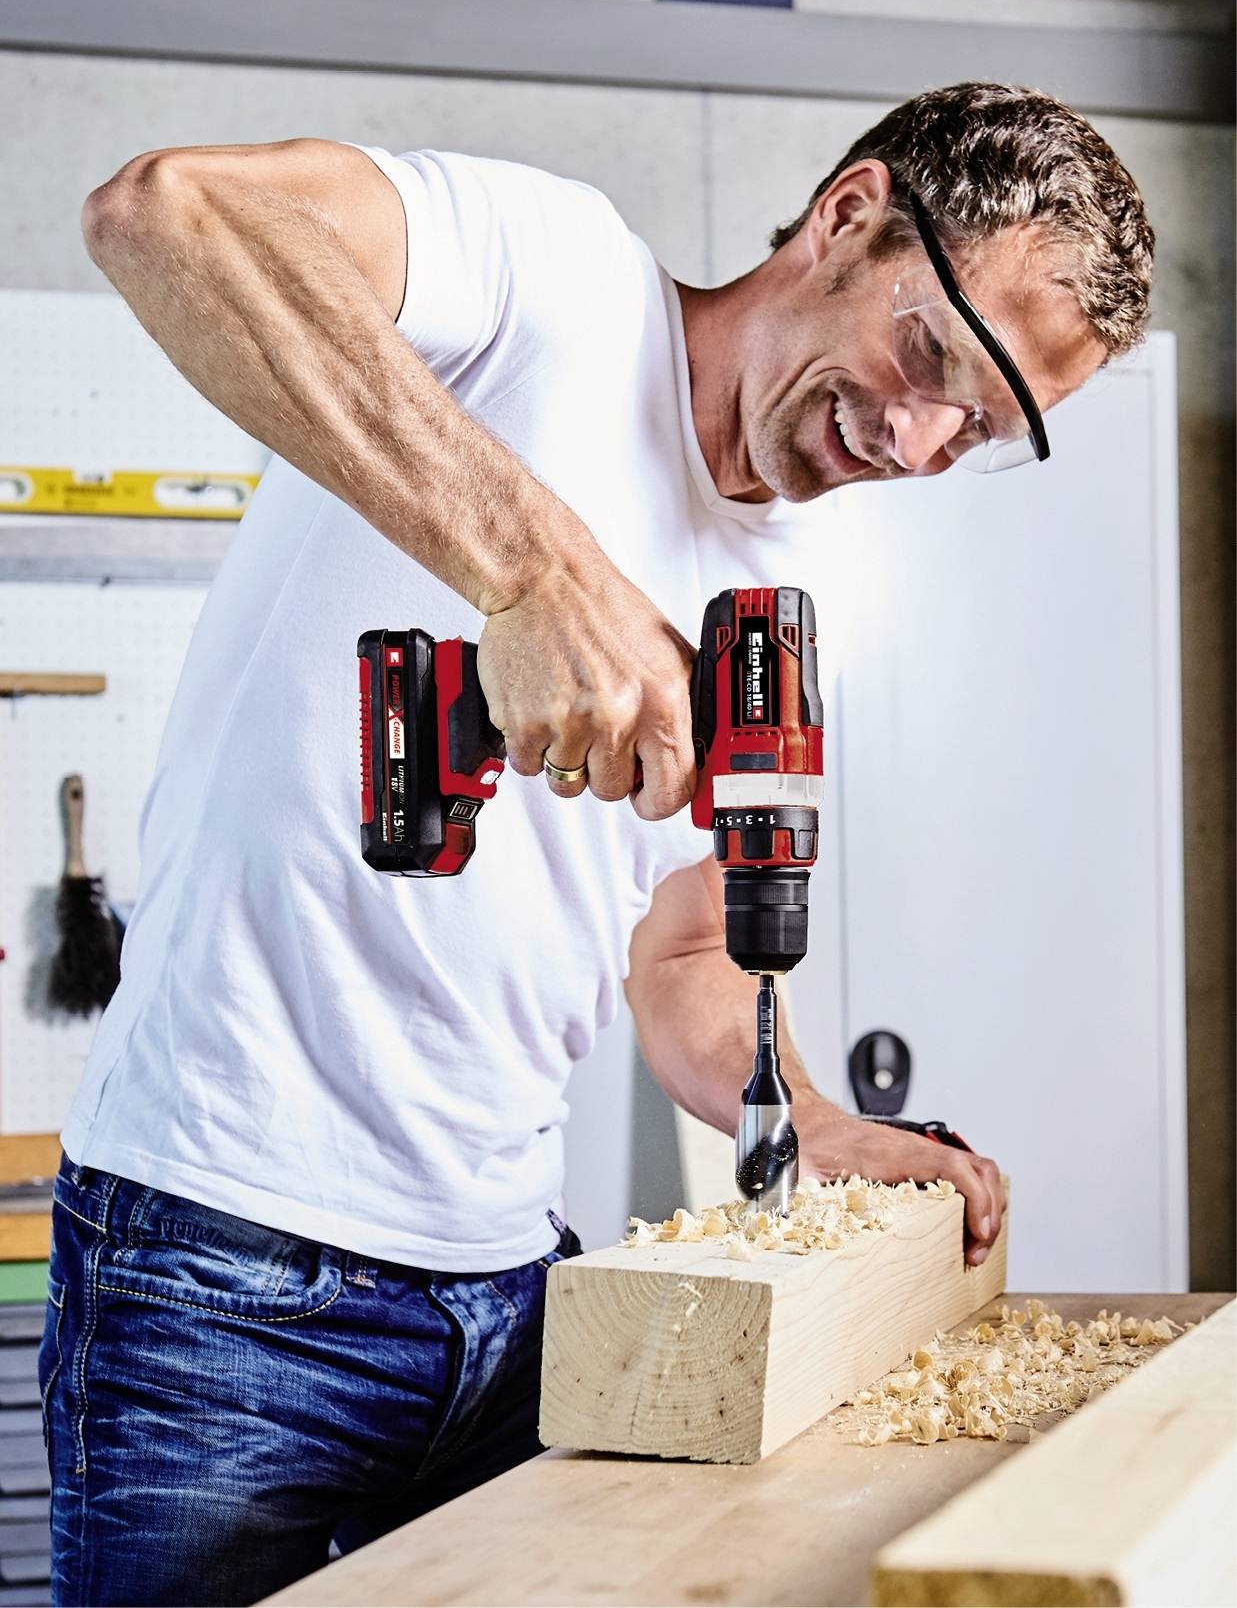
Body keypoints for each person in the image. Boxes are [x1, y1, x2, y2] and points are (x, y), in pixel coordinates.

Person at [41, 80, 1153, 1606]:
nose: (914, 439)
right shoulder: (547, 275)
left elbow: (685, 947)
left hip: (519, 1283)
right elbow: (169, 212)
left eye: (979, 426)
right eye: (926, 354)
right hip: (221, 1265)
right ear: (847, 216)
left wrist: (805, 1121)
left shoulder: (811, 590)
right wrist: (530, 570)